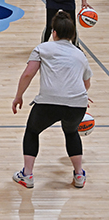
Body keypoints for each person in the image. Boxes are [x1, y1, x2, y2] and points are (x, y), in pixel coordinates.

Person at [11, 11, 92, 189]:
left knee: (32, 132)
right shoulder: (81, 55)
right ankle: (79, 175)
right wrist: (81, 97)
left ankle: (27, 175)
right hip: (77, 104)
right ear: (72, 34)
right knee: (71, 133)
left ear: (53, 32)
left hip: (49, 103)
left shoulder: (42, 48)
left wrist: (19, 96)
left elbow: (27, 74)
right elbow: (86, 83)